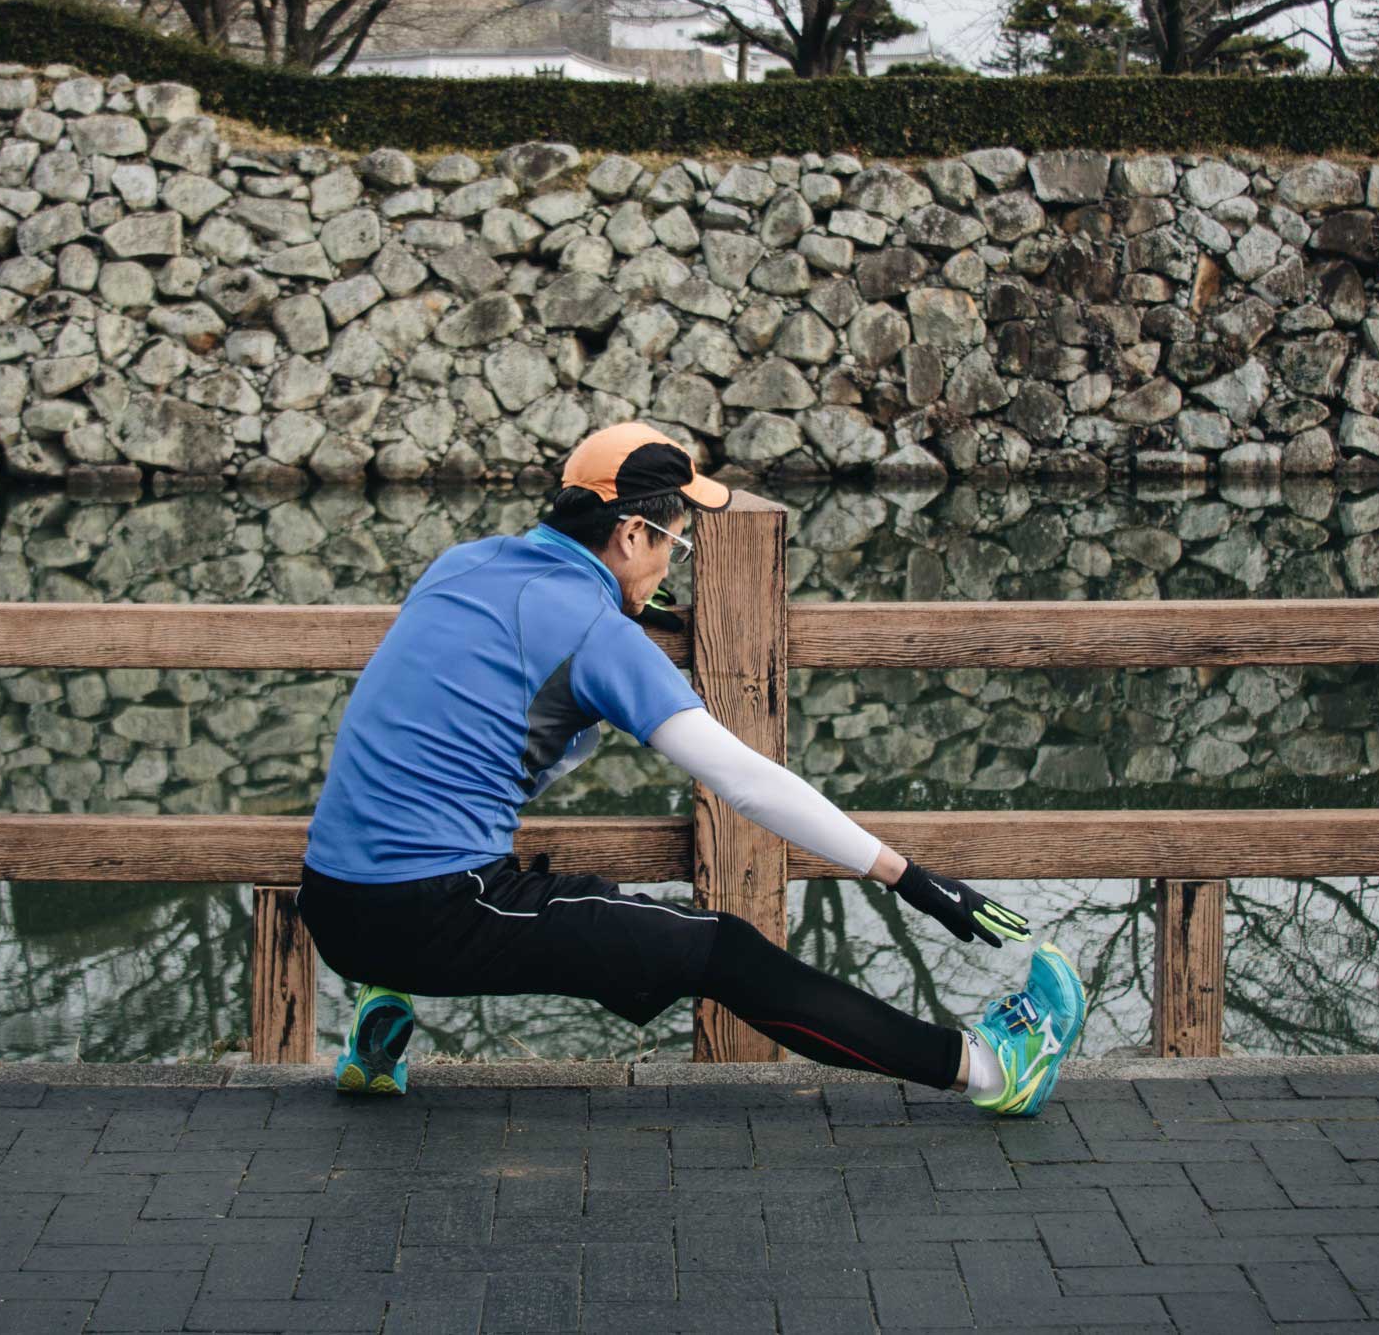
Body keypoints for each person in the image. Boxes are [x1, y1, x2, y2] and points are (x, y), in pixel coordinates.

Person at [296, 421, 1086, 1115]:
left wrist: (628, 608)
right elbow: (745, 780)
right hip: (431, 911)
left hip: (331, 903)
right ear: (631, 532)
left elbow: (441, 710)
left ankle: (377, 1020)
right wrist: (907, 876)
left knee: (516, 875)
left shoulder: (461, 564)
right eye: (676, 541)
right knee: (720, 950)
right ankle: (990, 1069)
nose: (676, 559)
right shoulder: (597, 635)